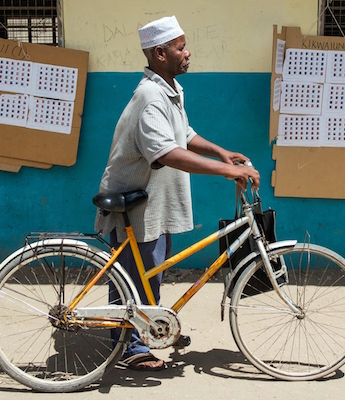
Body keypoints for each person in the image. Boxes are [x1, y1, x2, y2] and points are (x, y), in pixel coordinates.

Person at [94, 16, 260, 371]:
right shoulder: (150, 96)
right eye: (180, 47)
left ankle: (150, 327)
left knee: (151, 269)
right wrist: (229, 170)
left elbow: (182, 134)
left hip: (154, 199)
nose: (187, 53)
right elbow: (166, 153)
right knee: (133, 275)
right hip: (133, 200)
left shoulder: (169, 89)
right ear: (160, 53)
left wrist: (220, 152)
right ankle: (130, 348)